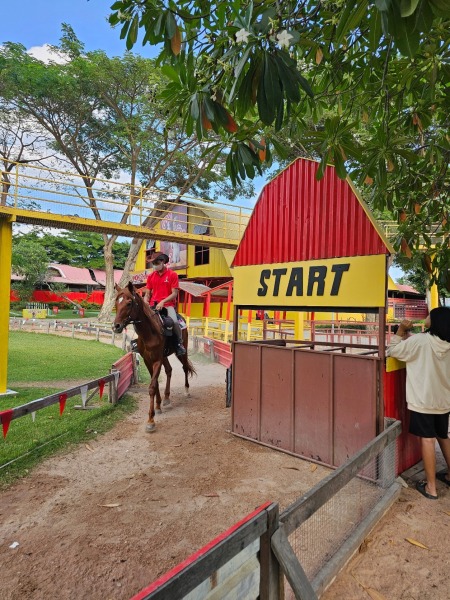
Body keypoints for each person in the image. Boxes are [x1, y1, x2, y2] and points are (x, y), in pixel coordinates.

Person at [387, 307, 450, 499]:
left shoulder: (421, 341)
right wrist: (410, 336)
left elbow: (393, 350)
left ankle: (431, 488)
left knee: (428, 440)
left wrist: (399, 332)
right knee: (443, 436)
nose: (426, 317)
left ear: (436, 321)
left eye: (430, 315)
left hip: (423, 400)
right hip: (443, 400)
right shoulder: (445, 342)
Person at [144, 251, 186, 356]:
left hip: (168, 305)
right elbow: (147, 294)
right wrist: (145, 302)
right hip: (153, 305)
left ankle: (179, 344)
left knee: (174, 322)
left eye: (156, 263)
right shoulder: (150, 276)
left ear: (163, 261)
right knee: (142, 321)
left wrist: (163, 301)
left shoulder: (172, 275)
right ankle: (140, 344)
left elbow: (174, 293)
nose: (154, 266)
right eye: (153, 264)